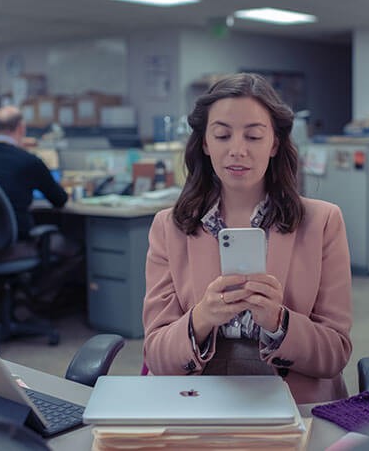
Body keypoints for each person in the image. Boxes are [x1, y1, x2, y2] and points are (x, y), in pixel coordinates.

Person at [142, 73, 352, 404]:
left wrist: (278, 322)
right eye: (223, 135)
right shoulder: (169, 227)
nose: (237, 150)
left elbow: (335, 354)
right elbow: (156, 354)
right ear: (206, 144)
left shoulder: (323, 222)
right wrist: (202, 318)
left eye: (253, 137)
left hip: (289, 393)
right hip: (196, 391)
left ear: (274, 144)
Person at [0, 106, 67, 239]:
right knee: (75, 249)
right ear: (21, 128)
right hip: (17, 240)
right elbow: (60, 200)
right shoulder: (28, 161)